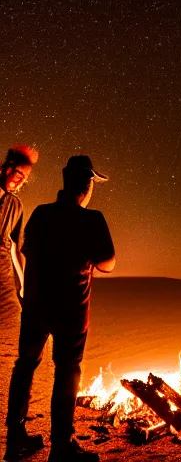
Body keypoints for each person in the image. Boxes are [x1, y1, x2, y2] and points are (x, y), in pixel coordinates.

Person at [4, 155, 116, 462]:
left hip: (37, 305)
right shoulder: (92, 220)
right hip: (71, 309)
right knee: (67, 369)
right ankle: (61, 446)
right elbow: (108, 263)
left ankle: (15, 441)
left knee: (25, 365)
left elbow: (27, 251)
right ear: (86, 184)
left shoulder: (41, 214)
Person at [0, 145, 39, 318]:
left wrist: (23, 283)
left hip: (3, 278)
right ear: (7, 169)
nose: (21, 182)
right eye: (20, 175)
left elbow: (15, 247)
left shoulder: (15, 205)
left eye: (25, 179)